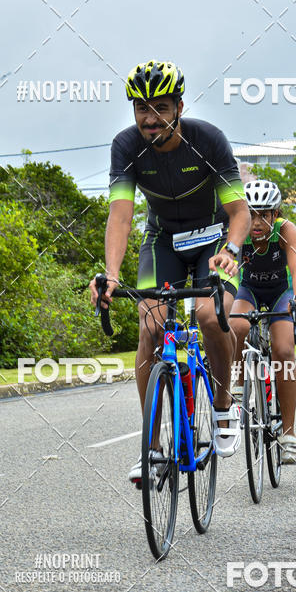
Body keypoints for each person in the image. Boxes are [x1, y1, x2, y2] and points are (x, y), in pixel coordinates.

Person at [89, 60, 251, 483]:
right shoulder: (125, 146)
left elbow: (239, 212)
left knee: (208, 314)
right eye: (141, 109)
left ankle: (221, 406)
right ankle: (153, 449)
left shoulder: (208, 140)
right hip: (164, 241)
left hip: (215, 239)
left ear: (179, 106)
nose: (150, 118)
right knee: (151, 326)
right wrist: (110, 274)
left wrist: (232, 249)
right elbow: (121, 217)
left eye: (159, 107)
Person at [229, 179, 296, 464]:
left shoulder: (286, 230)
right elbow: (228, 268)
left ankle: (288, 434)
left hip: (280, 292)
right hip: (248, 290)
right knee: (236, 324)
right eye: (251, 213)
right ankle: (239, 382)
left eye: (264, 214)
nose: (257, 221)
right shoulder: (240, 233)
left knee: (284, 351)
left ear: (275, 214)